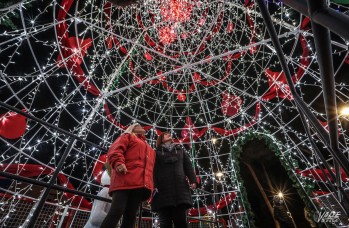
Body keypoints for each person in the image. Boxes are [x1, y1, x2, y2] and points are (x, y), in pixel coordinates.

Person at [100, 123, 156, 228]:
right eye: (139, 126)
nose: (142, 128)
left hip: (140, 184)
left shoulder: (149, 147)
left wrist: (150, 185)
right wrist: (119, 163)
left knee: (131, 216)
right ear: (133, 128)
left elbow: (151, 168)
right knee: (116, 211)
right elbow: (115, 150)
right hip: (124, 179)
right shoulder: (127, 136)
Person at [151, 132, 198, 228]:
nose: (169, 134)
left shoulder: (180, 150)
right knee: (165, 222)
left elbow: (188, 166)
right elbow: (153, 171)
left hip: (180, 190)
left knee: (181, 221)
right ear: (161, 139)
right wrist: (154, 186)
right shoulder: (156, 153)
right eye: (166, 134)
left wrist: (193, 180)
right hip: (162, 191)